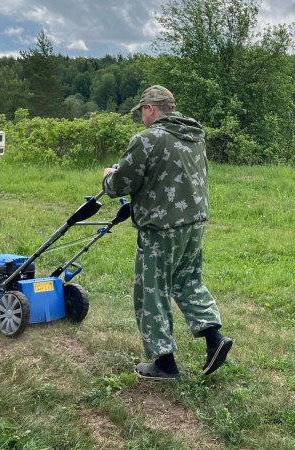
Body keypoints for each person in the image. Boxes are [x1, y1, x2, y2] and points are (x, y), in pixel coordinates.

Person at [102, 85, 231, 380]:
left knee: (152, 290)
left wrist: (109, 176)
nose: (141, 119)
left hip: (161, 227)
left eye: (142, 112)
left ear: (150, 108)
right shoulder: (194, 135)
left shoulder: (148, 139)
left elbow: (122, 183)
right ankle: (215, 339)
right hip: (194, 221)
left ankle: (164, 362)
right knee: (187, 281)